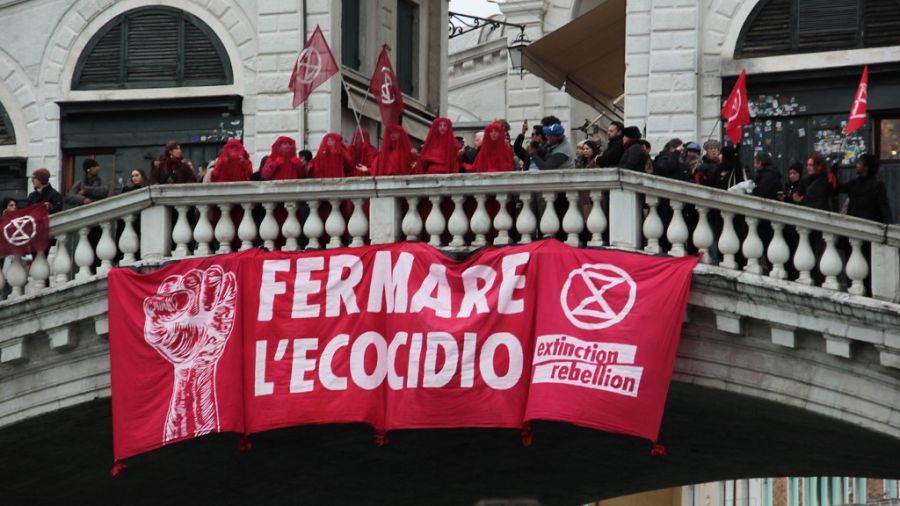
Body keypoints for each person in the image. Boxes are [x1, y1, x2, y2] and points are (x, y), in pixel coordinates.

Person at [838, 153, 892, 223]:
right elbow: (839, 188)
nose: (856, 165)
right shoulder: (854, 183)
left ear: (866, 167)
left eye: (859, 163)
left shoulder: (877, 185)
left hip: (870, 225)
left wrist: (888, 225)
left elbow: (884, 207)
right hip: (854, 223)